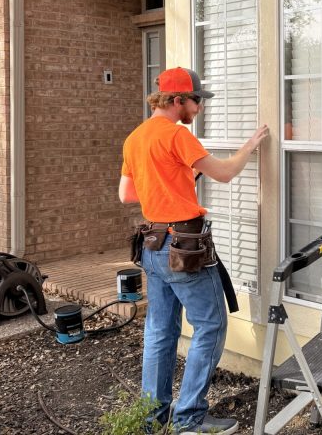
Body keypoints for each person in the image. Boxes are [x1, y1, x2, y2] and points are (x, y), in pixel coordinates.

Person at [118, 66, 268, 434]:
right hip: (184, 248)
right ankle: (190, 419)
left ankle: (151, 419)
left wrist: (176, 180)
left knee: (160, 330)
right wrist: (250, 146)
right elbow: (226, 173)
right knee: (211, 325)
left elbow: (127, 195)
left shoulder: (135, 138)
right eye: (197, 101)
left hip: (152, 245)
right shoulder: (177, 136)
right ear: (178, 100)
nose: (199, 108)